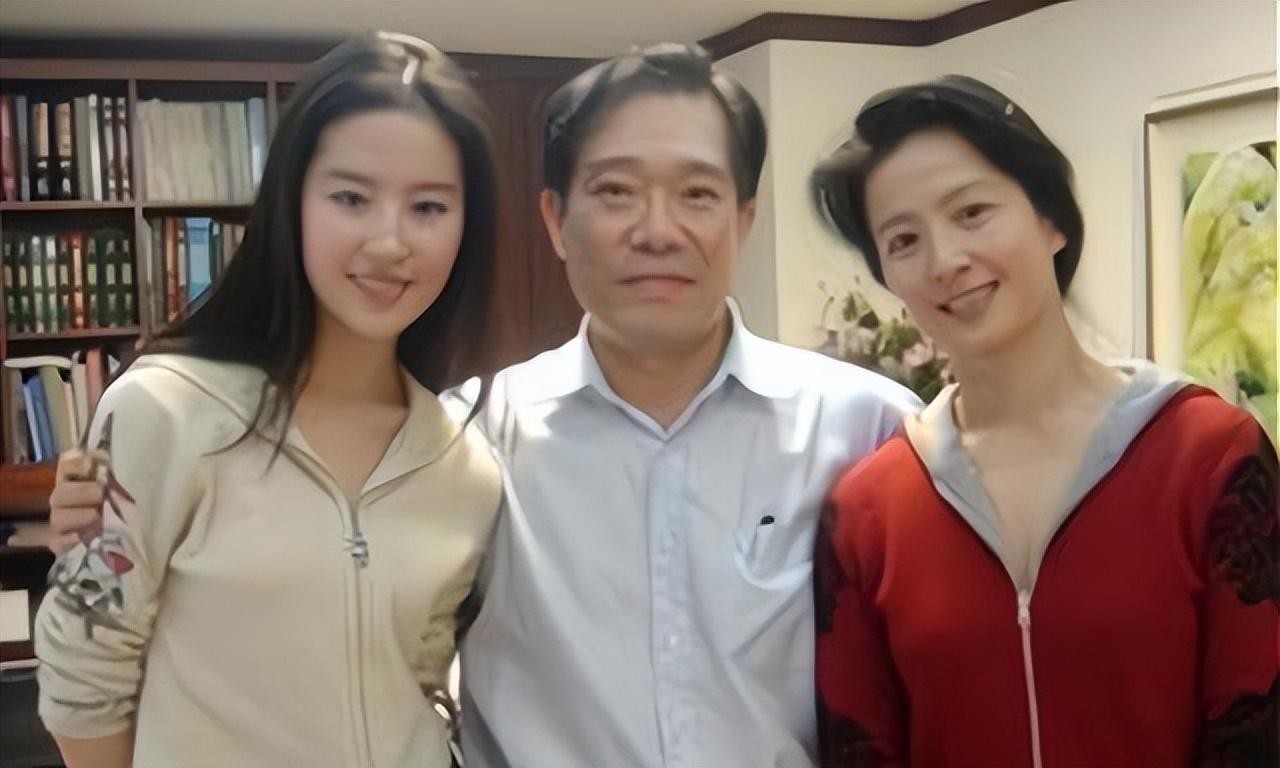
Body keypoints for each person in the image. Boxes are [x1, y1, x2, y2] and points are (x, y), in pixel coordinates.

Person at [34, 31, 503, 768]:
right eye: (351, 197)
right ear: (292, 201)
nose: (390, 242)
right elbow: (82, 678)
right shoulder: (162, 412)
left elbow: (425, 684)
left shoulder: (463, 463)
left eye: (428, 207)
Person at [453, 43, 918, 768]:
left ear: (744, 220)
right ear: (555, 220)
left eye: (697, 195)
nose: (657, 231)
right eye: (615, 192)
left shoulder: (867, 428)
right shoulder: (471, 436)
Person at [810, 75, 1278, 767]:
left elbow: (1260, 734)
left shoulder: (1208, 458)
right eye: (904, 240)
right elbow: (861, 750)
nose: (945, 261)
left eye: (971, 212)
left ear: (1052, 220)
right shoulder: (868, 510)